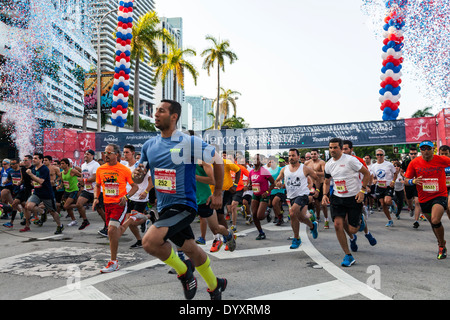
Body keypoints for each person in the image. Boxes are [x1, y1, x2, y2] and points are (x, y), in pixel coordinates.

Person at [132, 99, 227, 300]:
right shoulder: (150, 145)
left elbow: (218, 160)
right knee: (191, 248)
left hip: (184, 205)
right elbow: (139, 175)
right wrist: (137, 175)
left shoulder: (189, 142)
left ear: (174, 116)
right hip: (165, 207)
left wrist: (217, 193)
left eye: (161, 111)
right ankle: (215, 285)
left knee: (150, 242)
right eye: (156, 111)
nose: (156, 114)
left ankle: (184, 273)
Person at [322, 138, 371, 267]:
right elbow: (327, 181)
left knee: (353, 229)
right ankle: (348, 255)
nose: (332, 150)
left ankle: (359, 222)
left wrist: (362, 190)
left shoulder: (350, 160)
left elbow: (367, 174)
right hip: (337, 198)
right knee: (338, 224)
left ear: (341, 147)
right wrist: (324, 195)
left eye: (335, 147)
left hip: (353, 198)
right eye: (330, 148)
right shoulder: (328, 164)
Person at [93, 144, 139, 273]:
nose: (105, 155)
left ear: (116, 155)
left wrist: (126, 197)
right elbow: (97, 185)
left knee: (112, 230)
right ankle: (131, 219)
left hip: (119, 205)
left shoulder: (124, 169)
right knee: (112, 232)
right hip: (107, 204)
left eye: (109, 153)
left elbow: (134, 187)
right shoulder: (100, 169)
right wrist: (96, 198)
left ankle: (113, 262)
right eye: (105, 152)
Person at [404, 140, 450, 260]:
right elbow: (405, 179)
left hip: (440, 194)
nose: (425, 151)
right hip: (424, 198)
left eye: (428, 148)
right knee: (433, 224)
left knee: (435, 220)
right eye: (423, 149)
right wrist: (412, 181)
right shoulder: (414, 163)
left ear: (432, 150)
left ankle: (441, 246)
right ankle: (441, 242)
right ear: (420, 150)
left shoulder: (441, 159)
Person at [275, 148, 319, 249]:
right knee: (300, 217)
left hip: (303, 195)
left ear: (298, 157)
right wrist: (278, 183)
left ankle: (296, 239)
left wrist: (316, 191)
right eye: (290, 156)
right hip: (291, 197)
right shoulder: (284, 169)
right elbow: (277, 180)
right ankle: (312, 226)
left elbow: (316, 178)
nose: (291, 157)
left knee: (292, 213)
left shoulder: (305, 168)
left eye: (293, 155)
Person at [342, 140, 377, 250]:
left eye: (346, 149)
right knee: (343, 219)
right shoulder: (337, 161)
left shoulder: (358, 160)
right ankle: (352, 238)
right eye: (342, 149)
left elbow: (369, 174)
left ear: (351, 150)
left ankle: (367, 233)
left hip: (357, 192)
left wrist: (367, 186)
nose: (343, 151)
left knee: (357, 217)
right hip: (342, 194)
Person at [20, 153, 64, 234]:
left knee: (52, 211)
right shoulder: (33, 168)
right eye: (33, 158)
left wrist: (30, 174)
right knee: (28, 206)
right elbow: (34, 180)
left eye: (36, 158)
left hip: (47, 193)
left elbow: (41, 181)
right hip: (37, 193)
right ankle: (29, 224)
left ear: (41, 160)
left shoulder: (44, 169)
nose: (33, 160)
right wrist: (33, 182)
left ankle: (59, 225)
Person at [121, 144, 154, 248]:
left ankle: (149, 216)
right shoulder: (125, 167)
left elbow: (151, 181)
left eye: (127, 152)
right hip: (130, 197)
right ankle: (139, 240)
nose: (125, 154)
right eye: (124, 152)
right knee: (130, 222)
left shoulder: (140, 166)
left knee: (133, 222)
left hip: (140, 197)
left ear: (133, 153)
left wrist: (146, 191)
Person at [209, 150, 240, 252]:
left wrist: (235, 185)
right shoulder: (206, 163)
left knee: (219, 216)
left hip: (225, 191)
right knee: (215, 217)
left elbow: (238, 170)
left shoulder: (225, 162)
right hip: (212, 192)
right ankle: (227, 236)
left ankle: (227, 238)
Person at [247, 154, 275, 240]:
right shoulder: (251, 172)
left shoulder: (264, 171)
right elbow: (250, 184)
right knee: (254, 215)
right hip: (255, 195)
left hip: (264, 195)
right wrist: (249, 186)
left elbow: (273, 183)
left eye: (257, 159)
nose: (255, 161)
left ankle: (267, 212)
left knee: (260, 216)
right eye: (254, 159)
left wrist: (267, 192)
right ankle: (261, 233)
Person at [371, 148, 399, 227]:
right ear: (376, 156)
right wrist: (374, 180)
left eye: (381, 155)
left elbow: (395, 173)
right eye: (378, 155)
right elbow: (374, 176)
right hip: (379, 186)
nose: (379, 156)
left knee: (387, 201)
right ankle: (390, 220)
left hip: (388, 185)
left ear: (384, 156)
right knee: (383, 204)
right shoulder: (374, 166)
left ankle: (392, 203)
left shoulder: (389, 164)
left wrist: (393, 181)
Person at [75, 150, 101, 230]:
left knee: (100, 210)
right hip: (87, 190)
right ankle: (85, 221)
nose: (85, 155)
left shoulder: (95, 164)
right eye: (85, 154)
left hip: (96, 190)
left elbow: (94, 178)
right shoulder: (83, 165)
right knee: (78, 204)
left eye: (88, 154)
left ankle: (107, 225)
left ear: (92, 156)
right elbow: (84, 177)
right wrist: (81, 184)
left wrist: (83, 181)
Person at [305, 149, 329, 228]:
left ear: (318, 154)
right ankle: (317, 217)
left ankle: (326, 219)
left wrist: (315, 173)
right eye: (312, 154)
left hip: (322, 185)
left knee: (323, 204)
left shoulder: (321, 162)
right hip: (312, 186)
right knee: (314, 202)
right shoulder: (307, 163)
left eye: (315, 154)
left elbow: (325, 173)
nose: (313, 155)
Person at [401, 146, 422, 228]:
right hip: (409, 183)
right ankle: (411, 208)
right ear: (409, 154)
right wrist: (406, 177)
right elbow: (401, 171)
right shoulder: (406, 162)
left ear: (417, 154)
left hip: (417, 184)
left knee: (417, 201)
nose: (413, 155)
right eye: (411, 154)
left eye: (415, 153)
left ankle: (416, 220)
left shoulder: (420, 161)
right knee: (409, 199)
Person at [60, 158, 81, 226]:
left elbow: (81, 175)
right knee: (67, 207)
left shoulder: (72, 171)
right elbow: (63, 181)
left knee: (66, 206)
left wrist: (80, 182)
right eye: (61, 164)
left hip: (73, 190)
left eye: (63, 163)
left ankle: (79, 205)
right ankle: (74, 220)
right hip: (67, 191)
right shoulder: (62, 172)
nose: (61, 165)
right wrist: (60, 186)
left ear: (67, 164)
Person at [1, 158, 21, 227]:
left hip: (21, 190)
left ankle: (39, 213)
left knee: (24, 205)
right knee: (14, 203)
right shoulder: (10, 171)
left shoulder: (21, 171)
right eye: (12, 164)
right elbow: (9, 179)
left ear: (18, 163)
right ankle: (11, 221)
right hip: (14, 189)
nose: (12, 165)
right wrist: (6, 181)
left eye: (13, 164)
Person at [267, 156, 287, 226]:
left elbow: (286, 176)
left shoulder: (280, 169)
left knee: (275, 203)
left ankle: (280, 218)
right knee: (273, 205)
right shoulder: (268, 170)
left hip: (280, 190)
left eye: (272, 162)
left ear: (276, 162)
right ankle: (277, 216)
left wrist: (284, 184)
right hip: (272, 190)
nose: (271, 163)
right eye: (269, 162)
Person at [438, 145, 450, 220]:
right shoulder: (437, 163)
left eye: (446, 154)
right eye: (442, 154)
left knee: (449, 205)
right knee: (448, 209)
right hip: (442, 188)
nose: (444, 156)